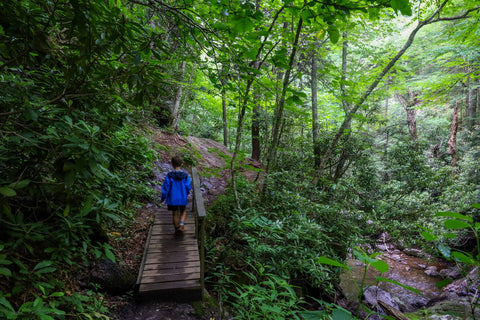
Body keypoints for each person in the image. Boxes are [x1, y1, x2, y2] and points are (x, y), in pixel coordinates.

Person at [160, 156, 192, 232]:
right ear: (181, 164)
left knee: (175, 213)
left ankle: (176, 228)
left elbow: (166, 187)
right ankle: (181, 224)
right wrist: (186, 193)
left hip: (172, 198)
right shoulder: (185, 175)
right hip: (182, 197)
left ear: (172, 164)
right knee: (183, 211)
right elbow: (188, 186)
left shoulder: (169, 175)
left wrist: (163, 197)